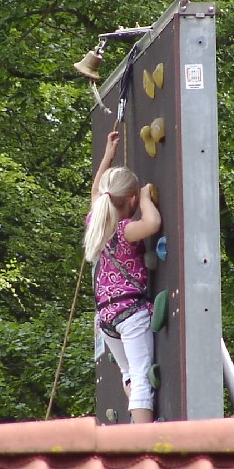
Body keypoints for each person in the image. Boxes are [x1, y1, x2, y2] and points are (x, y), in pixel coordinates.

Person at [83, 130, 162, 423]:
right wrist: (146, 198)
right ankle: (142, 438)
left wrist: (108, 156)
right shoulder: (125, 230)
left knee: (129, 373)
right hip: (130, 313)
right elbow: (152, 224)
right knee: (141, 378)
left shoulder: (96, 223)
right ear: (130, 199)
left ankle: (134, 424)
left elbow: (96, 193)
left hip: (105, 318)